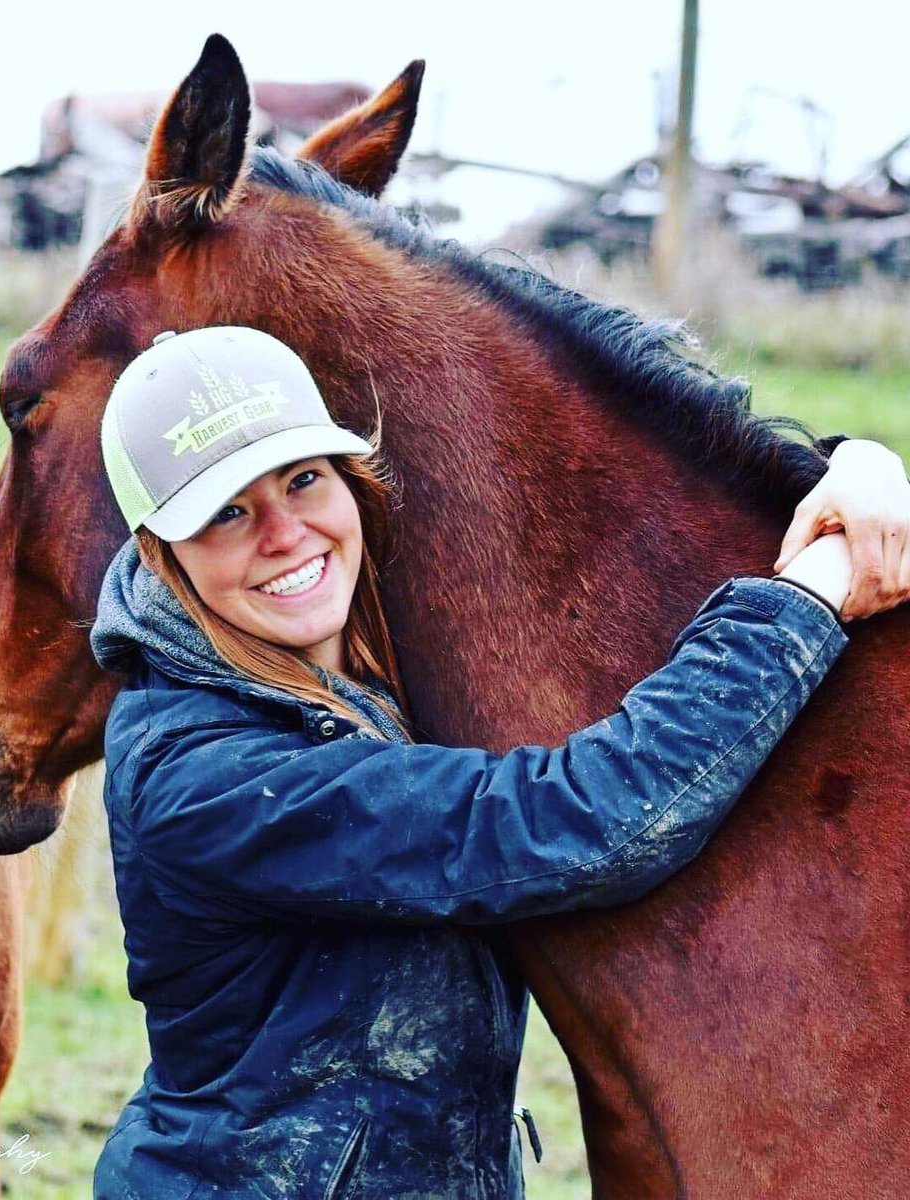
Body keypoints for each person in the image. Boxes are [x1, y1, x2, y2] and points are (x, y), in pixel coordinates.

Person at [89, 326, 910, 1200]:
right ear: (158, 549)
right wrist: (802, 600)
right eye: (227, 512)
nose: (288, 533)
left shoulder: (369, 652)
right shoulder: (197, 776)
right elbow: (568, 826)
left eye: (301, 480)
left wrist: (853, 465)